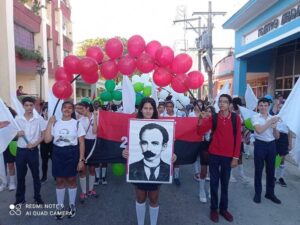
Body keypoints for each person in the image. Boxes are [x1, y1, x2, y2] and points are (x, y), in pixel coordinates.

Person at [122, 97, 176, 225]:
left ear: (154, 110)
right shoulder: (134, 125)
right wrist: (124, 151)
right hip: (138, 174)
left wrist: (173, 155)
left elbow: (170, 146)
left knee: (153, 199)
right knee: (140, 198)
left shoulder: (163, 125)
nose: (147, 111)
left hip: (158, 177)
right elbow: (129, 144)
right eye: (145, 108)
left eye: (150, 108)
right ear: (141, 109)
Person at [197, 94, 241, 223]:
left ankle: (223, 209)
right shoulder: (214, 117)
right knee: (214, 183)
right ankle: (213, 209)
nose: (222, 104)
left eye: (225, 102)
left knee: (225, 184)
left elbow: (238, 138)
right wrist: (201, 119)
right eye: (220, 102)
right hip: (214, 154)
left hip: (228, 157)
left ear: (230, 104)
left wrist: (235, 157)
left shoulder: (235, 118)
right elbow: (200, 131)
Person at [44, 101, 86, 219]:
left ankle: (72, 205)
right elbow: (47, 140)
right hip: (58, 153)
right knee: (59, 180)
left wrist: (81, 160)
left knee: (72, 180)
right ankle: (60, 206)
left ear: (72, 111)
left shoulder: (77, 123)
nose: (67, 110)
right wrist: (49, 123)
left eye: (70, 108)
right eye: (65, 108)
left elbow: (82, 142)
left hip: (72, 153)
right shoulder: (55, 123)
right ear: (61, 109)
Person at [14, 97, 45, 205]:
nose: (29, 108)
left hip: (33, 151)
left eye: (31, 105)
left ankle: (37, 197)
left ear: (33, 106)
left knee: (35, 176)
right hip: (21, 151)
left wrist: (35, 144)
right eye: (26, 105)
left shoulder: (39, 119)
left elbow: (43, 135)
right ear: (23, 106)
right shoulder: (17, 119)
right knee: (20, 176)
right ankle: (20, 199)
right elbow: (12, 135)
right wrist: (17, 134)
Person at [251, 97, 281, 204]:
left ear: (269, 106)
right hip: (260, 145)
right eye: (261, 105)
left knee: (271, 170)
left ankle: (270, 193)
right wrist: (270, 122)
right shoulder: (255, 117)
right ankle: (257, 193)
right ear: (258, 107)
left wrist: (274, 127)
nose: (263, 107)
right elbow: (259, 130)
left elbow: (277, 136)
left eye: (265, 105)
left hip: (271, 145)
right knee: (258, 170)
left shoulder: (273, 118)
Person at [78, 102, 99, 203]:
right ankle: (83, 192)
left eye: (81, 109)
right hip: (83, 144)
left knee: (92, 169)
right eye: (78, 109)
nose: (79, 111)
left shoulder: (97, 117)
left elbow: (95, 131)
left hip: (94, 144)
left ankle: (90, 190)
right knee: (82, 169)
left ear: (87, 108)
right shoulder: (80, 120)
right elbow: (80, 136)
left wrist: (94, 118)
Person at [160, 100, 181, 186]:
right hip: (165, 141)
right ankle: (164, 174)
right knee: (164, 158)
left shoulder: (178, 116)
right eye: (167, 106)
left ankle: (176, 177)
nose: (169, 108)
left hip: (176, 140)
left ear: (173, 107)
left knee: (176, 161)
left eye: (170, 106)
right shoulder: (161, 116)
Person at [40, 105, 53, 184]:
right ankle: (44, 177)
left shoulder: (53, 120)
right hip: (43, 143)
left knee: (54, 160)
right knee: (44, 161)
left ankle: (56, 176)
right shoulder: (40, 120)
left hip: (52, 142)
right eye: (46, 111)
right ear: (43, 112)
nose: (47, 112)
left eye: (48, 111)